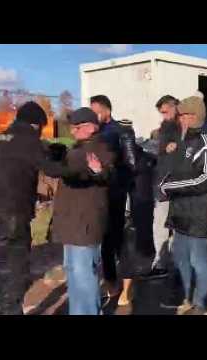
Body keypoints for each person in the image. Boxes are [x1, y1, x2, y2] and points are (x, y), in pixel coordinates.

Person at [0, 102, 89, 315]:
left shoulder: (2, 138)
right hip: (14, 208)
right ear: (36, 124)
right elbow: (52, 170)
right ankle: (11, 308)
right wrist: (80, 168)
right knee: (17, 260)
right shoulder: (30, 142)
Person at [160, 95, 207, 315]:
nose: (184, 119)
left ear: (199, 116)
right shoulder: (185, 139)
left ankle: (201, 302)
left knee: (199, 260)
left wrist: (171, 186)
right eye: (182, 115)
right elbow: (179, 170)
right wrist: (165, 182)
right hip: (180, 212)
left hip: (199, 214)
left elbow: (205, 178)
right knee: (180, 259)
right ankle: (185, 296)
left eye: (189, 115)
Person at [52, 107, 115, 315]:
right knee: (74, 275)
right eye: (72, 128)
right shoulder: (78, 149)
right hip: (71, 225)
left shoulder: (101, 147)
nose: (73, 132)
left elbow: (106, 174)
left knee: (84, 276)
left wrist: (98, 171)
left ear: (91, 127)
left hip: (85, 225)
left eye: (77, 127)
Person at [90, 95, 131, 299]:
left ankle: (114, 282)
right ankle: (111, 277)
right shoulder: (96, 131)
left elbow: (126, 162)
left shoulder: (116, 132)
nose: (93, 115)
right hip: (101, 190)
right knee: (107, 236)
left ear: (107, 110)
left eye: (96, 110)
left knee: (111, 236)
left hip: (114, 190)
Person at [115, 120, 157, 307]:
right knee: (130, 249)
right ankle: (124, 288)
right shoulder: (146, 157)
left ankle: (124, 291)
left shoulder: (133, 160)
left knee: (127, 251)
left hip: (131, 210)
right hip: (137, 209)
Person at [145, 95, 182, 280]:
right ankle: (162, 262)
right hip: (163, 184)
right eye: (161, 113)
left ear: (174, 107)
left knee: (168, 225)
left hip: (175, 184)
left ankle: (167, 264)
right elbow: (159, 151)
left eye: (165, 112)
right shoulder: (166, 127)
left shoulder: (183, 127)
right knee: (161, 224)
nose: (163, 116)